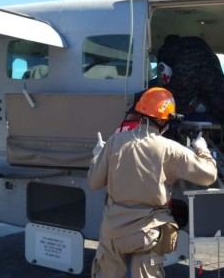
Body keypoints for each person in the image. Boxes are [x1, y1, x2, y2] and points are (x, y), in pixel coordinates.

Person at [88, 87, 217, 278]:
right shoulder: (171, 149)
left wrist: (97, 155)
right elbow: (209, 175)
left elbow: (94, 182)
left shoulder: (115, 141)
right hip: (148, 232)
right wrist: (202, 149)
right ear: (164, 119)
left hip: (113, 230)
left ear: (140, 113)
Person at [157, 35, 224, 151]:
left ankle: (165, 147)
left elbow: (164, 71)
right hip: (211, 72)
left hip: (185, 72)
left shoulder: (167, 48)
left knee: (169, 108)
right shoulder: (199, 44)